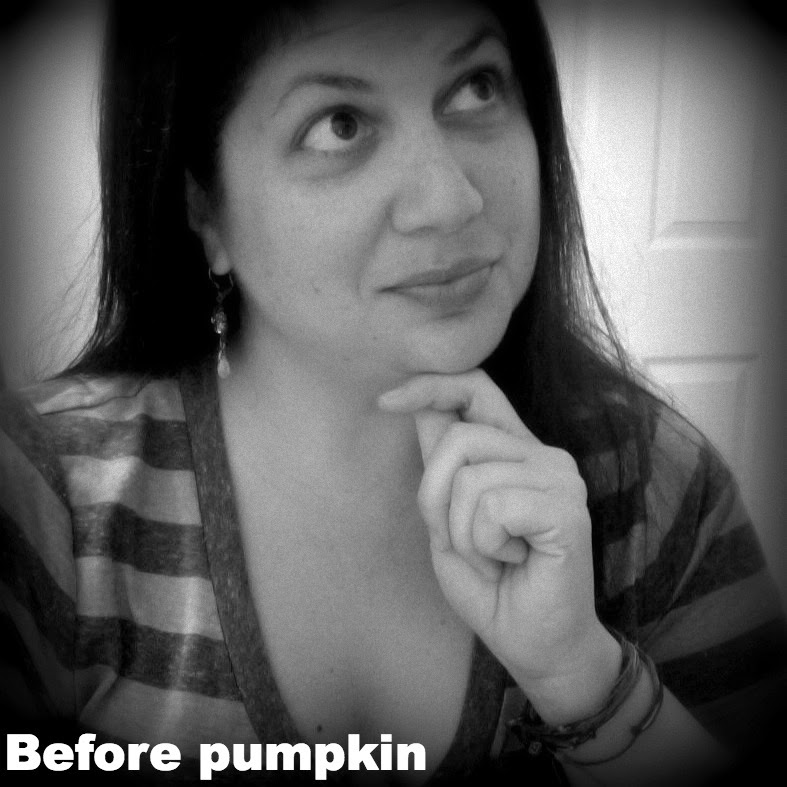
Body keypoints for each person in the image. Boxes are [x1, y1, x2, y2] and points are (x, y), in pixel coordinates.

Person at [1, 1, 785, 784]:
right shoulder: (45, 497)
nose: (450, 200)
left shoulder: (651, 482)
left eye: (477, 88)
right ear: (204, 207)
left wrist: (581, 674)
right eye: (339, 125)